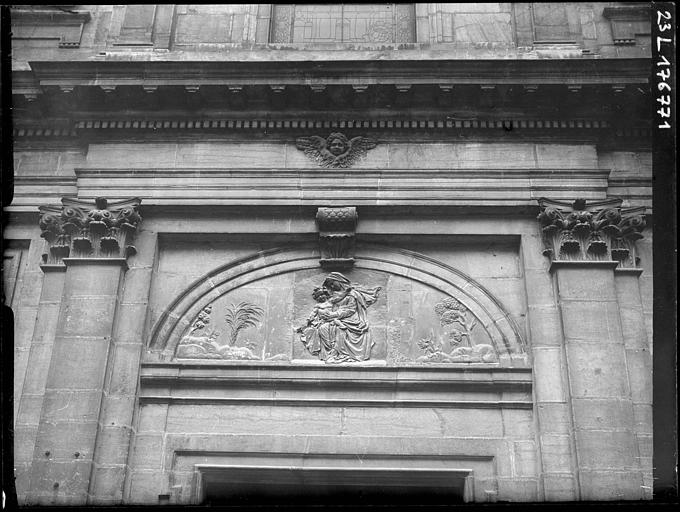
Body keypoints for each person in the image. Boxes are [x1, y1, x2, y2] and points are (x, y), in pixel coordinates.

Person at [300, 272, 381, 363]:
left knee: (339, 329)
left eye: (333, 283)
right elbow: (325, 305)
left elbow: (350, 310)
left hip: (351, 319)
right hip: (336, 317)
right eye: (330, 285)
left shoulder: (352, 294)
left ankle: (340, 353)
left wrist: (334, 315)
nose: (332, 286)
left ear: (339, 281)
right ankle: (331, 352)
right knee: (323, 328)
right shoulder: (334, 295)